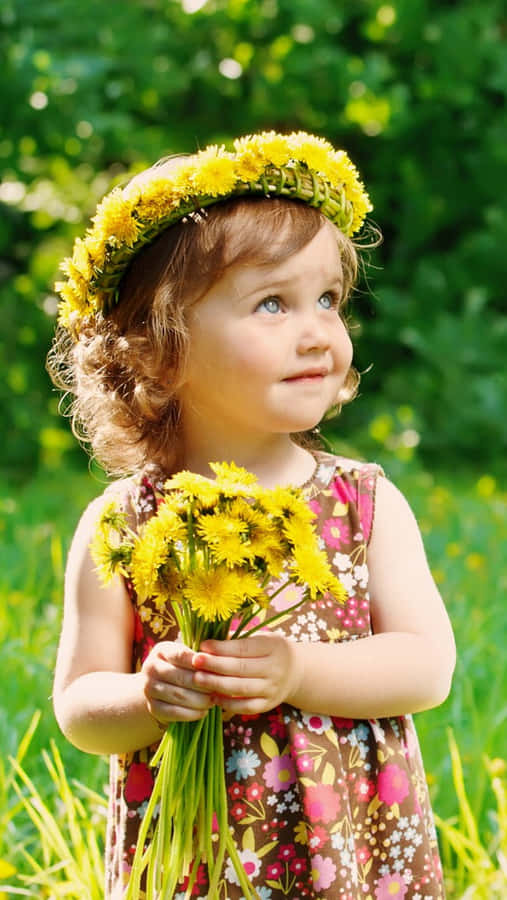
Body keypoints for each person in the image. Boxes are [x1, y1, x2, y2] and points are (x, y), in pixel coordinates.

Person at [48, 131, 456, 900]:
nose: (317, 333)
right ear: (159, 349)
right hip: (191, 860)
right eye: (272, 302)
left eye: (328, 300)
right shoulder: (124, 521)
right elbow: (79, 707)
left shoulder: (361, 503)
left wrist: (300, 670)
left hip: (350, 850)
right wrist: (144, 698)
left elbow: (425, 665)